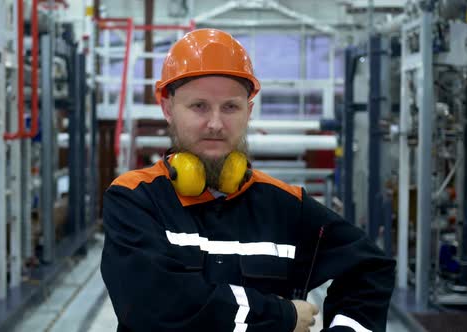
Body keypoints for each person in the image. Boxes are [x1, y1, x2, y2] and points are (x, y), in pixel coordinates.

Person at [101, 28, 395, 332]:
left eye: (230, 107)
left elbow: (370, 268)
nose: (215, 123)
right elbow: (154, 305)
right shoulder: (135, 198)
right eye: (199, 106)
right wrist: (283, 316)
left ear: (248, 111)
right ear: (167, 109)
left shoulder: (286, 206)